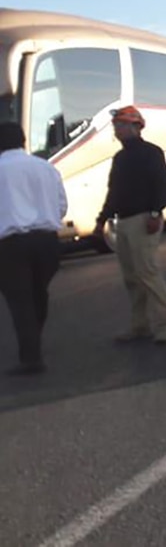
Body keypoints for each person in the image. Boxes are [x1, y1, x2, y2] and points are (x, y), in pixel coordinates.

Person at [94, 105, 166, 344]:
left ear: (136, 126)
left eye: (122, 125)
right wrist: (102, 220)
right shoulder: (120, 158)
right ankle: (140, 325)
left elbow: (162, 186)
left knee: (147, 273)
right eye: (116, 126)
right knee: (132, 277)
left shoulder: (151, 153)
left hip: (144, 219)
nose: (118, 131)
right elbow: (114, 192)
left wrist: (155, 212)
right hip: (123, 221)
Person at [0, 122, 67, 375]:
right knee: (39, 292)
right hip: (47, 241)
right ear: (24, 140)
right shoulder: (46, 168)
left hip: (10, 245)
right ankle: (34, 340)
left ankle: (31, 357)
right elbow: (61, 205)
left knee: (20, 301)